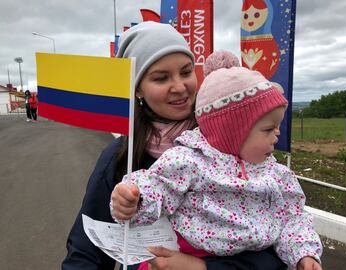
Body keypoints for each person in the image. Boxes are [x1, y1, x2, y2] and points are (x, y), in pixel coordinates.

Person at [62, 22, 287, 270]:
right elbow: (87, 251)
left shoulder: (233, 145)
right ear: (137, 88)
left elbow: (278, 246)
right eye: (161, 78)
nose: (180, 87)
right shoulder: (120, 157)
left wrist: (204, 268)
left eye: (186, 72)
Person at [110, 51, 323, 270]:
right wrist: (134, 199)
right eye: (269, 128)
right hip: (183, 257)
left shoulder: (278, 175)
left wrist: (304, 254)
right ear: (232, 132)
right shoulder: (189, 161)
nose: (277, 135)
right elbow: (158, 186)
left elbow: (292, 218)